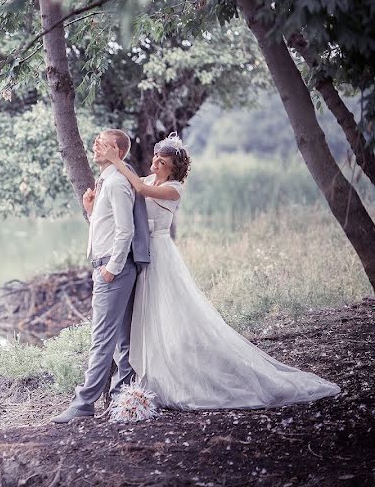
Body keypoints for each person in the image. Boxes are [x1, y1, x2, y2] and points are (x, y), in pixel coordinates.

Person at [92, 132, 340, 410]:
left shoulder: (173, 189)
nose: (155, 164)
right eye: (155, 158)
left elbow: (138, 189)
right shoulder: (148, 179)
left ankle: (178, 377)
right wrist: (94, 206)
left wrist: (116, 159)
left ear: (173, 168)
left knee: (165, 313)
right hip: (141, 253)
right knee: (144, 317)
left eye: (161, 162)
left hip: (159, 253)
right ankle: (149, 376)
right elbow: (124, 201)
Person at [50, 129, 150, 423]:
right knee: (121, 338)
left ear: (117, 152)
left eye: (103, 143)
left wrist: (111, 269)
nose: (96, 145)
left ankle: (84, 404)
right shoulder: (106, 181)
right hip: (111, 266)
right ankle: (121, 398)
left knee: (102, 338)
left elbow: (125, 231)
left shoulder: (118, 183)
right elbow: (108, 227)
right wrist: (91, 212)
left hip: (114, 269)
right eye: (96, 141)